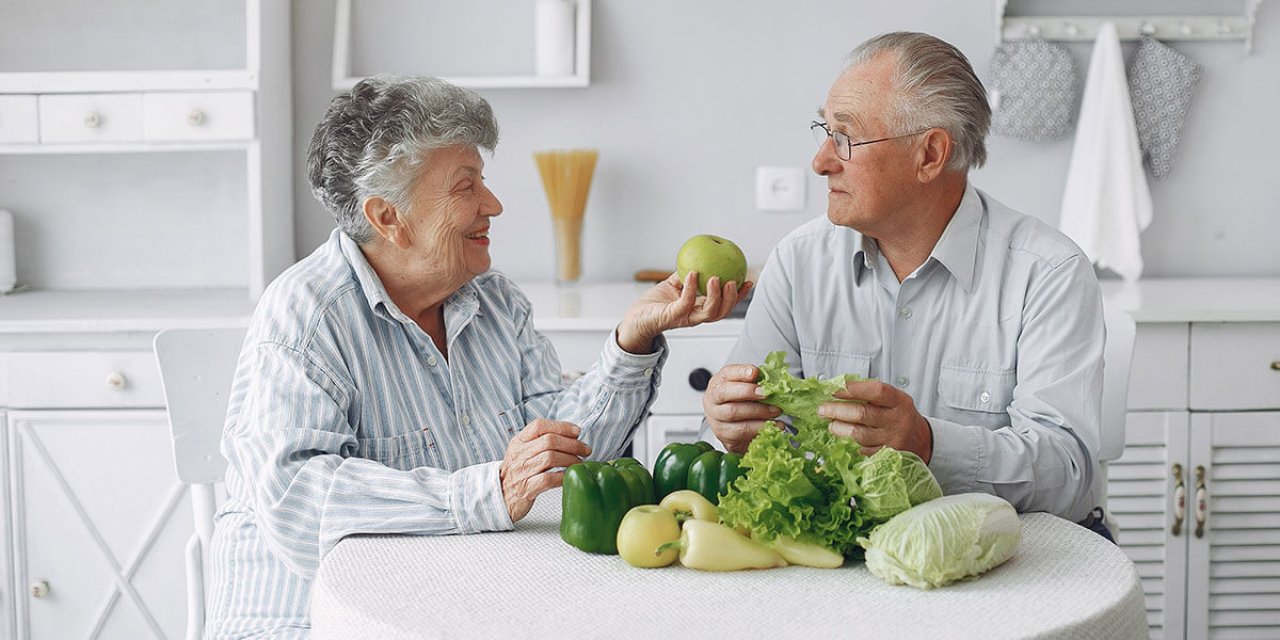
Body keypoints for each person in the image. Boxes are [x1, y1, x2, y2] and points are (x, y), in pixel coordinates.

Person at [207, 75, 747, 638]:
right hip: (311, 619)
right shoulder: (306, 315)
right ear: (388, 217)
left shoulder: (494, 301)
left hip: (457, 601)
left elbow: (560, 451)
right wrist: (486, 492)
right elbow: (296, 500)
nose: (493, 204)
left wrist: (631, 340)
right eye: (466, 187)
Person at [702, 32, 1109, 535]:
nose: (821, 161)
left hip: (1010, 558)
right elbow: (740, 444)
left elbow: (1069, 473)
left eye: (845, 137)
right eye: (823, 130)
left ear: (931, 155)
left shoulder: (1048, 272)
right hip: (845, 560)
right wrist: (730, 426)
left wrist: (928, 445)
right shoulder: (797, 262)